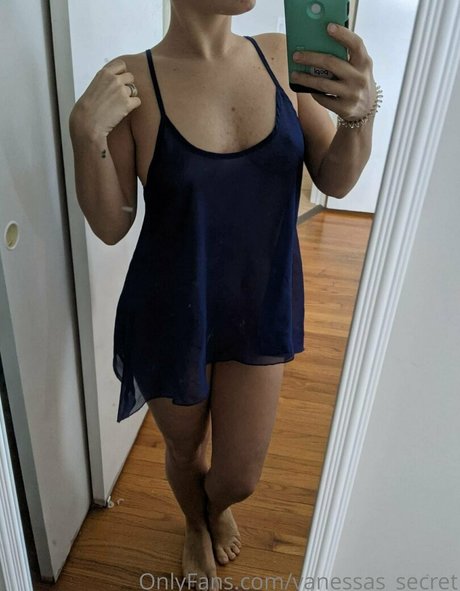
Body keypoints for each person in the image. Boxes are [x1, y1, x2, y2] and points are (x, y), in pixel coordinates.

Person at [69, 0, 378, 587]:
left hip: (260, 306)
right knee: (186, 451)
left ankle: (216, 506)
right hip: (170, 310)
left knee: (240, 475)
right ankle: (194, 524)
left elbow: (335, 179)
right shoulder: (131, 80)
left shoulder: (281, 57)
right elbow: (111, 224)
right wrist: (85, 136)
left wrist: (359, 117)